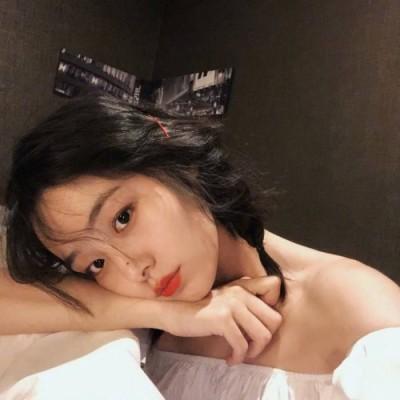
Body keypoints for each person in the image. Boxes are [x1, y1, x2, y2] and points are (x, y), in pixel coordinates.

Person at [3, 92, 400, 399]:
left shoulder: (352, 306)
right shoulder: (140, 317)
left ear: (174, 161)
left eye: (122, 217)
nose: (133, 270)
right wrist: (168, 314)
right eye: (96, 263)